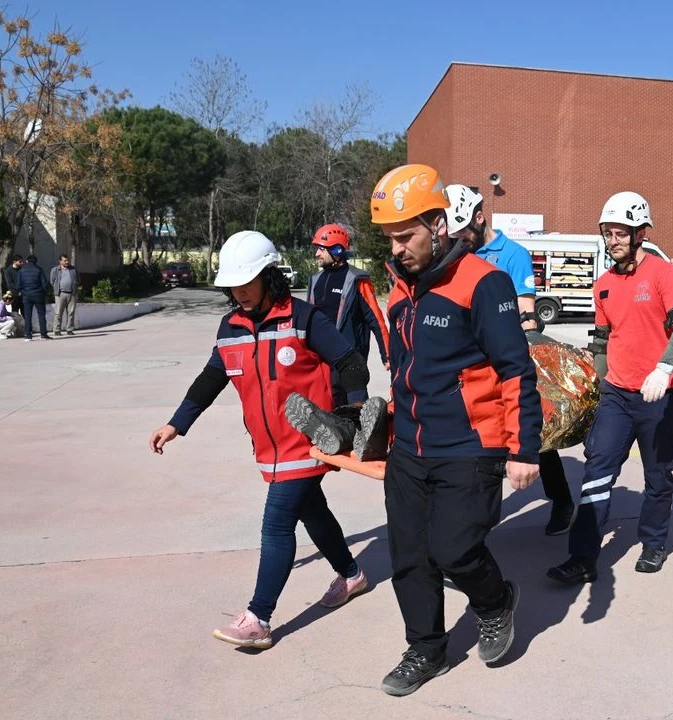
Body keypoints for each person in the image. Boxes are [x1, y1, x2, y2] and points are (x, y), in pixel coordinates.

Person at [148, 230, 371, 650]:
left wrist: (355, 410)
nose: (240, 292)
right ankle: (352, 574)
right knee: (313, 511)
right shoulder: (230, 326)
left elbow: (350, 362)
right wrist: (177, 423)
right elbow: (212, 378)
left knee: (277, 523)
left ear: (271, 276)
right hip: (267, 446)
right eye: (233, 285)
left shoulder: (305, 318)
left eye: (247, 282)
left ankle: (258, 617)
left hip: (308, 441)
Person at [369, 164, 541, 697]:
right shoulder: (400, 294)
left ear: (438, 225)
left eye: (406, 236)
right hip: (410, 450)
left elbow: (516, 368)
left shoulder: (484, 284)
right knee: (409, 557)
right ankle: (426, 648)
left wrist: (523, 448)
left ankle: (495, 602)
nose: (397, 249)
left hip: (471, 445)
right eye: (390, 239)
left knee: (455, 549)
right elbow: (404, 372)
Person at [546, 190, 673, 585]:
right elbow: (601, 341)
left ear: (640, 234)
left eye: (620, 233)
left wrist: (665, 368)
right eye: (607, 233)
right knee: (597, 469)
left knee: (659, 473)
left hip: (662, 393)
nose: (612, 240)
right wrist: (594, 390)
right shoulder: (603, 285)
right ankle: (582, 558)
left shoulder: (666, 274)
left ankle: (653, 542)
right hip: (617, 392)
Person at [446, 183, 576, 536]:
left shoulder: (513, 254)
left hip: (505, 361)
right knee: (478, 440)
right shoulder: (456, 255)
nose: (459, 241)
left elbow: (526, 312)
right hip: (470, 366)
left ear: (479, 217)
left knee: (532, 435)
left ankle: (562, 500)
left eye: (463, 234)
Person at [308, 222, 390, 403]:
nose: (317, 254)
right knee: (329, 414)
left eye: (321, 249)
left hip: (351, 360)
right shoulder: (315, 280)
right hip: (322, 361)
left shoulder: (357, 279)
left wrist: (387, 354)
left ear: (337, 250)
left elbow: (375, 318)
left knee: (358, 416)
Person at [16, 254, 51, 341]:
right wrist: (43, 292)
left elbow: (18, 285)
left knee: (27, 316)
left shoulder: (21, 271)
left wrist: (24, 292)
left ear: (27, 261)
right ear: (36, 261)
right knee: (41, 315)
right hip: (38, 295)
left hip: (26, 296)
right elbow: (44, 283)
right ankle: (43, 334)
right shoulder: (39, 269)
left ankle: (28, 335)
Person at [50, 254, 79, 336]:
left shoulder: (73, 269)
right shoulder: (55, 270)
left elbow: (78, 279)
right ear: (60, 261)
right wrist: (57, 288)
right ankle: (56, 330)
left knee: (71, 312)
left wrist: (75, 288)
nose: (67, 262)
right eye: (65, 260)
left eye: (67, 260)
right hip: (60, 294)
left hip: (72, 293)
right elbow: (52, 281)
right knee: (58, 313)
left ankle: (69, 329)